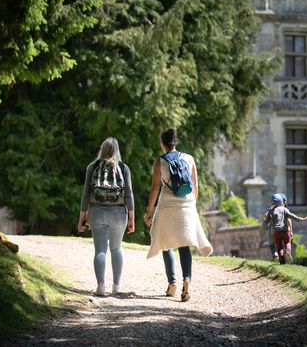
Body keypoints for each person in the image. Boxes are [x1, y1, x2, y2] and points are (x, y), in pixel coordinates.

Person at [145, 128, 212, 302]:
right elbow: (195, 185)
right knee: (184, 244)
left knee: (166, 243)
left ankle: (172, 283)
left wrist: (150, 210)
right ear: (175, 142)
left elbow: (155, 188)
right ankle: (187, 282)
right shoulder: (189, 158)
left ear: (162, 143)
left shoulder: (160, 162)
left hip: (168, 204)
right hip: (187, 203)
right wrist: (192, 205)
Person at [77, 137, 135, 296]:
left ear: (102, 149)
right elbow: (129, 194)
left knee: (100, 250)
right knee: (116, 248)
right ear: (117, 150)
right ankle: (116, 286)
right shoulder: (123, 168)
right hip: (118, 213)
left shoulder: (92, 166)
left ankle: (101, 287)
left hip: (97, 212)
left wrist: (81, 218)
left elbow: (86, 195)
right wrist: (132, 219)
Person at [267, 193, 303, 264]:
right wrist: (298, 219)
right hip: (285, 230)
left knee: (278, 246)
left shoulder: (271, 210)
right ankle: (288, 252)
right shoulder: (285, 209)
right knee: (287, 242)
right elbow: (290, 218)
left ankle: (281, 260)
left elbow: (266, 218)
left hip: (275, 231)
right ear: (282, 202)